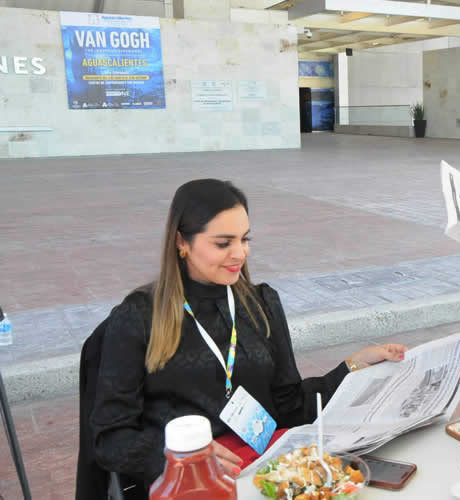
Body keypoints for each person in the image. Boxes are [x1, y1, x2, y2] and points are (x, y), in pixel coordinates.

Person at [90, 179, 407, 493]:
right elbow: (110, 438)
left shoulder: (260, 305)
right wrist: (182, 457)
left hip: (263, 471)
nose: (240, 254)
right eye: (223, 243)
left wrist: (351, 367)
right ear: (181, 242)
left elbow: (290, 406)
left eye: (244, 239)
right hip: (190, 483)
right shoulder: (140, 316)